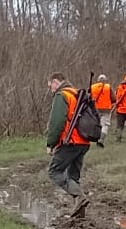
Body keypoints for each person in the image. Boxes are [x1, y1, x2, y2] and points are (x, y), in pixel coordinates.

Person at [45, 73, 94, 219]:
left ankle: (80, 197)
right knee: (74, 177)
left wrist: (51, 143)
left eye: (50, 86)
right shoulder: (77, 94)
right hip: (84, 141)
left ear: (55, 82)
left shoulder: (62, 95)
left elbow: (57, 122)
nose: (51, 90)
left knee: (54, 171)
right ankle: (79, 214)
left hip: (70, 141)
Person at [91, 73, 113, 139]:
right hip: (106, 109)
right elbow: (114, 98)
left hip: (95, 108)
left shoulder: (92, 87)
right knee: (105, 124)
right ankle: (101, 139)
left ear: (98, 80)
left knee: (96, 123)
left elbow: (89, 97)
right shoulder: (108, 87)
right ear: (105, 80)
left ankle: (95, 137)